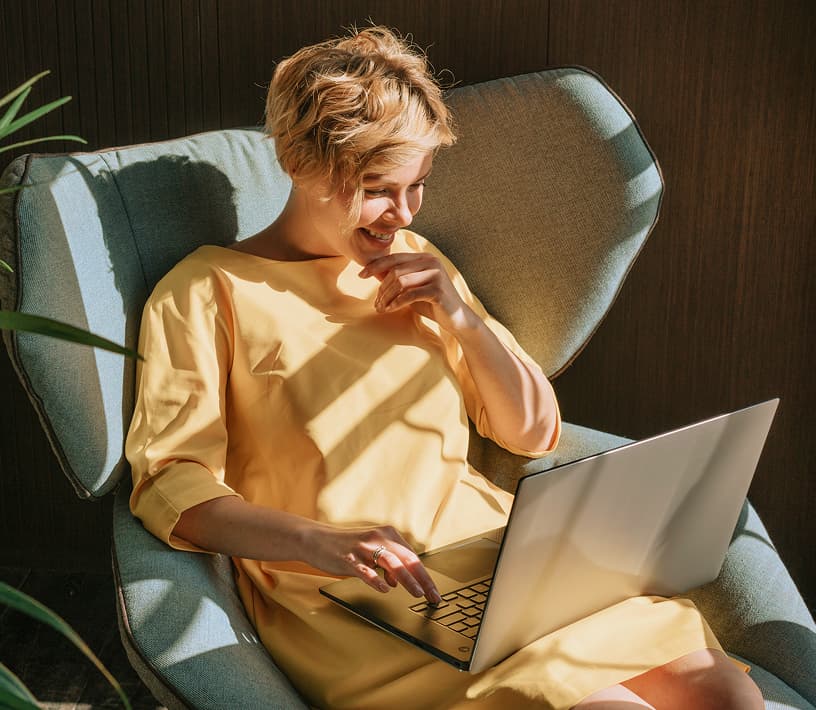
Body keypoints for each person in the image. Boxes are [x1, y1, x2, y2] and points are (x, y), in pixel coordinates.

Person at [126, 26, 764, 710]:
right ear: (303, 164)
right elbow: (173, 483)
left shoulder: (420, 264)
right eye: (376, 189)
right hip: (355, 602)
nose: (400, 213)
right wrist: (318, 541)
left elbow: (529, 432)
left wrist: (458, 313)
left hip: (502, 565)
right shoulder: (204, 291)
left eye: (418, 185)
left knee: (721, 688)